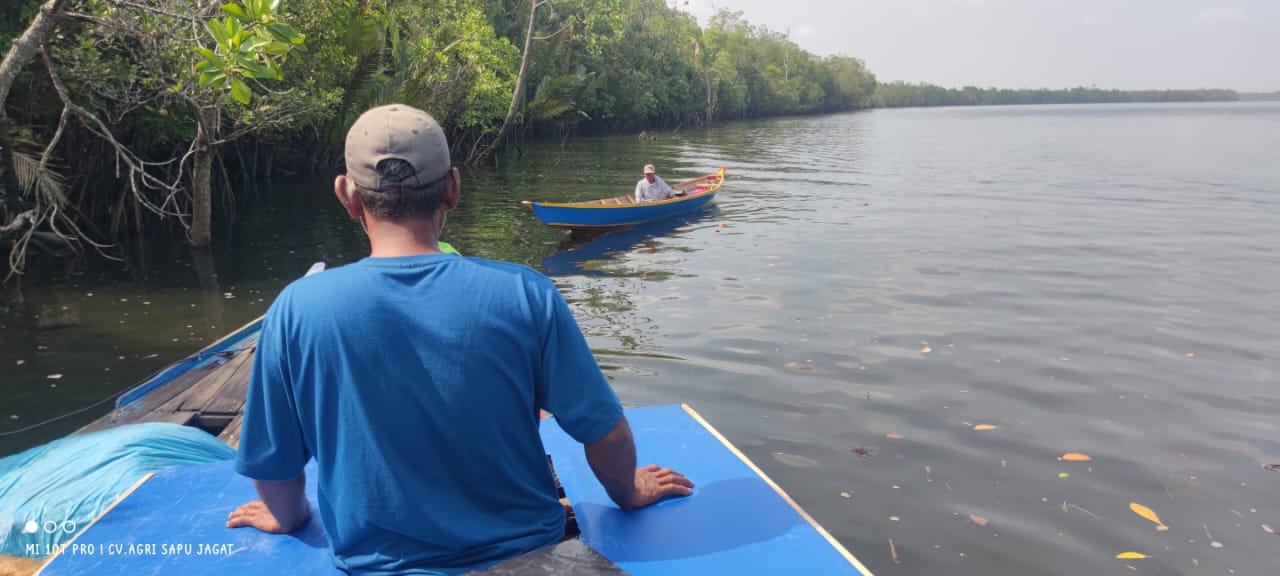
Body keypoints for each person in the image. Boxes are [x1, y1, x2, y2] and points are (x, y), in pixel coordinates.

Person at [226, 104, 693, 574]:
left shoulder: (297, 310)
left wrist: (291, 515)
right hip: (532, 560)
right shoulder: (525, 293)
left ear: (347, 195)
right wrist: (629, 492)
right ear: (452, 188)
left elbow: (276, 473)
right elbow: (606, 434)